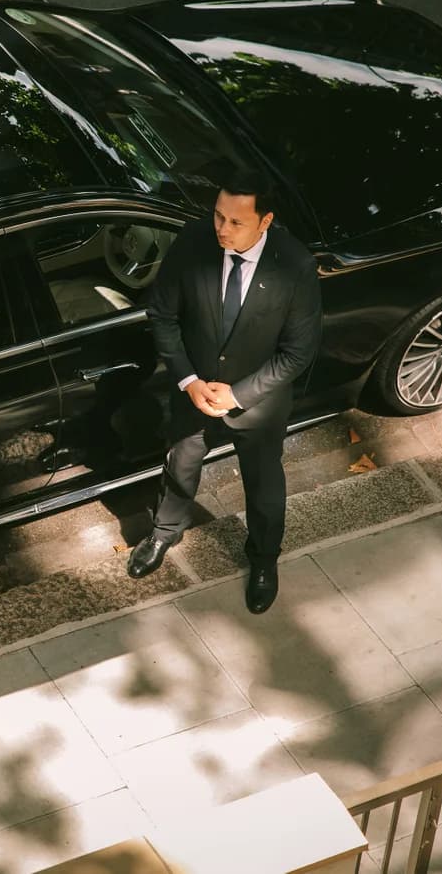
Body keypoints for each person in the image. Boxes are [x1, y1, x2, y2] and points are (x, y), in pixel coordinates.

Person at [126, 168, 321, 614]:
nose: (222, 229)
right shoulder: (193, 243)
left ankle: (264, 561)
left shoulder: (295, 265)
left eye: (235, 222)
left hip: (257, 402)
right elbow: (163, 315)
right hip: (193, 389)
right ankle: (164, 532)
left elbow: (298, 352)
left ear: (265, 222)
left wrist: (236, 395)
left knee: (264, 484)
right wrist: (189, 381)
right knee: (180, 464)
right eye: (218, 216)